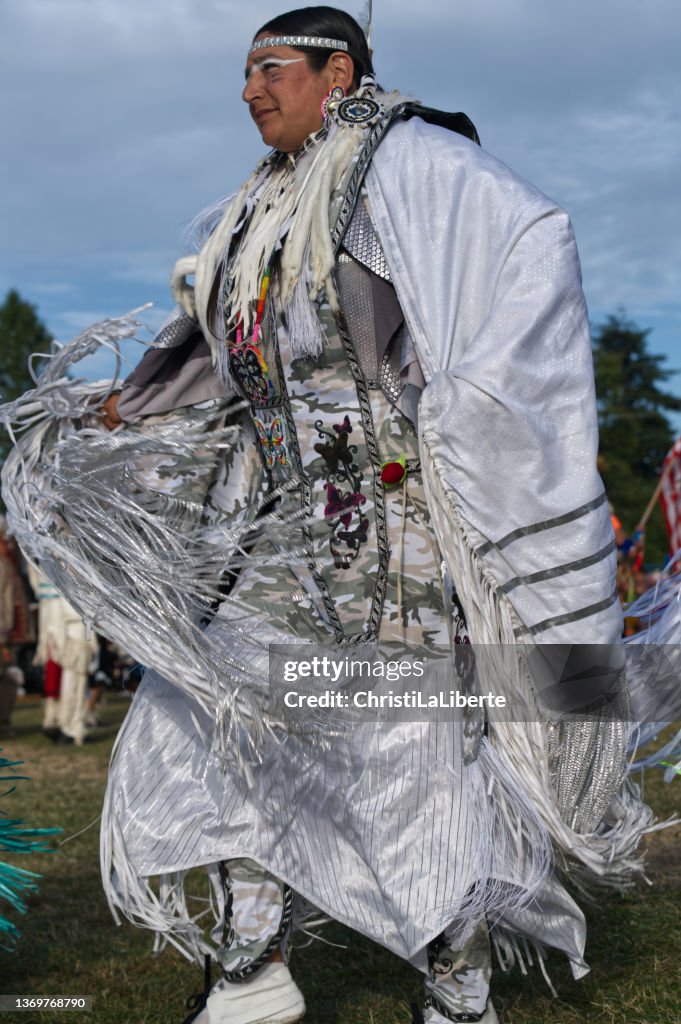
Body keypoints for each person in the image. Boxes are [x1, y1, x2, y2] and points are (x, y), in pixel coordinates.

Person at [0, 8, 658, 1024]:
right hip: (275, 541)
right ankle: (253, 966)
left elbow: (532, 247)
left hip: (395, 545)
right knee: (213, 721)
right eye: (245, 73)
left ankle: (458, 989)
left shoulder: (413, 168)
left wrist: (458, 409)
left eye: (270, 69)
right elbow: (221, 349)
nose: (249, 91)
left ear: (337, 72)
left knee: (408, 759)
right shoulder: (263, 205)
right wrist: (123, 408)